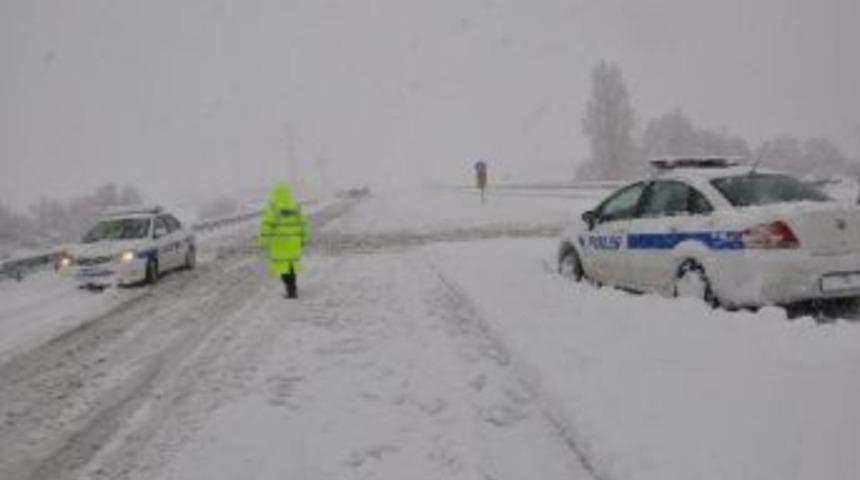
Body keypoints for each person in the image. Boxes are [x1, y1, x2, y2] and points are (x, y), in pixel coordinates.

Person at [258, 183, 309, 298]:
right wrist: (303, 239)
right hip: (294, 244)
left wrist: (263, 239)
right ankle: (293, 289)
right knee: (291, 266)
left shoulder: (274, 208)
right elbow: (304, 225)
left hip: (280, 244)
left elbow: (267, 225)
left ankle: (290, 291)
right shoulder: (296, 207)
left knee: (282, 268)